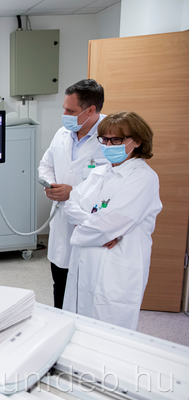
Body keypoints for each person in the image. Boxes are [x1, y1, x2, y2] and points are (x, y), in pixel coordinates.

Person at [62, 111, 162, 330]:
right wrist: (96, 227)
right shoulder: (99, 172)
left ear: (137, 141)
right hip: (85, 260)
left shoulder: (143, 178)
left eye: (116, 139)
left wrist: (89, 227)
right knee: (78, 325)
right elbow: (70, 205)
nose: (108, 145)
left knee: (110, 330)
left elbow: (108, 225)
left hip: (116, 266)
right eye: (104, 139)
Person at [38, 79, 108, 309]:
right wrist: (52, 184)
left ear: (90, 110)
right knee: (60, 281)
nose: (65, 115)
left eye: (71, 111)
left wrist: (73, 192)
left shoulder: (111, 139)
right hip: (62, 219)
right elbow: (46, 164)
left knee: (88, 289)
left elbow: (113, 184)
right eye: (64, 109)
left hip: (91, 222)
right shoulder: (62, 133)